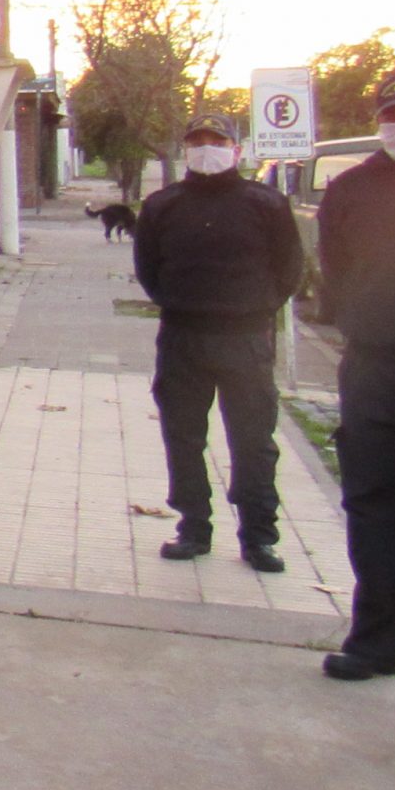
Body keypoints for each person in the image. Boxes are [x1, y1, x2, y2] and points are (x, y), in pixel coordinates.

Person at [132, 114, 303, 574]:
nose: (207, 147)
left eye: (217, 139)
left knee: (253, 442)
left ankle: (259, 537)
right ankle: (193, 527)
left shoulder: (265, 203)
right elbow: (148, 267)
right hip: (183, 338)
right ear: (186, 149)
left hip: (245, 339)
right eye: (198, 140)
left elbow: (289, 269)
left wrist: (254, 308)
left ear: (236, 148)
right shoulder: (163, 205)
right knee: (184, 436)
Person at [312, 65, 395, 681]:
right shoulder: (352, 189)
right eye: (392, 117)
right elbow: (335, 268)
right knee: (376, 508)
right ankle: (377, 644)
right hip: (378, 368)